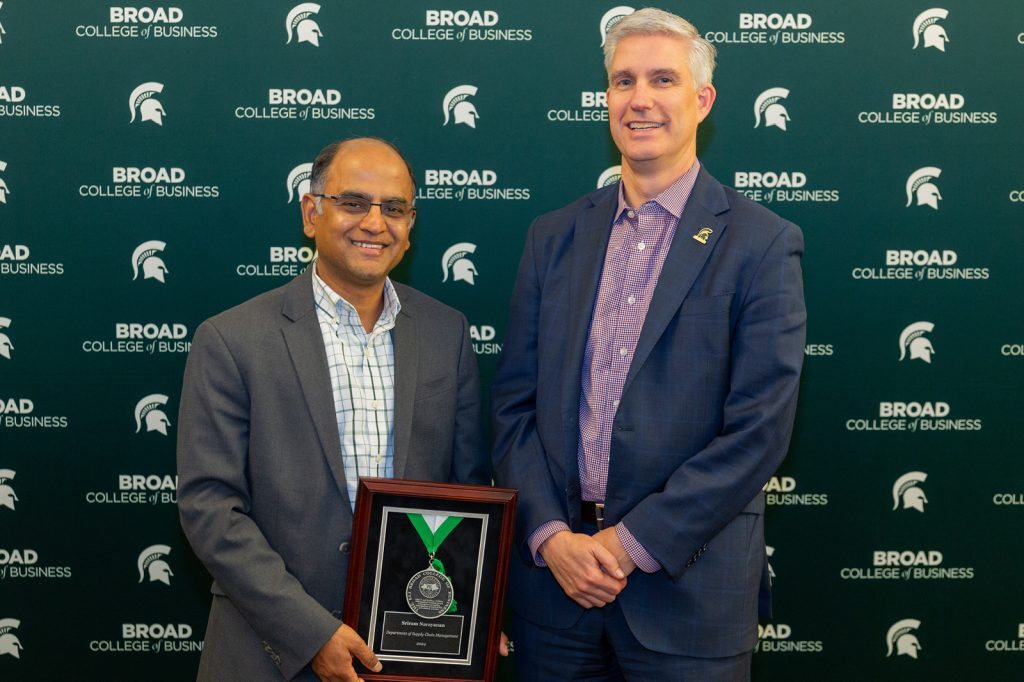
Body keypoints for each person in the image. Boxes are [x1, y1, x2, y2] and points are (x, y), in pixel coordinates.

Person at [492, 8, 806, 680]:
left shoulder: (762, 243)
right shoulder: (552, 238)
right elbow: (513, 408)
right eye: (622, 81)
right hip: (556, 593)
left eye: (662, 79)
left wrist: (630, 544)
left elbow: (759, 431)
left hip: (687, 598)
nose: (639, 99)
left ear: (702, 99)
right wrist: (552, 537)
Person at [177, 137, 489, 681]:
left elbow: (466, 496)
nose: (375, 222)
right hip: (266, 650)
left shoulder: (447, 333)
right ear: (310, 212)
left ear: (411, 224)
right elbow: (210, 507)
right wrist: (311, 633)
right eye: (353, 202)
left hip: (411, 646)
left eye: (394, 208)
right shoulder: (231, 339)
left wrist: (468, 618)